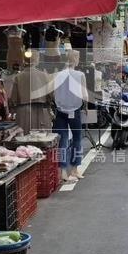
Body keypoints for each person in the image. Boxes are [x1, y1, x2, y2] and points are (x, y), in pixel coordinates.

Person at [52, 50, 88, 183]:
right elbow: (84, 94)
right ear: (75, 60)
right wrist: (85, 106)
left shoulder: (57, 75)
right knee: (77, 140)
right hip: (75, 110)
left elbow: (53, 94)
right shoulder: (80, 75)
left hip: (60, 111)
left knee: (62, 141)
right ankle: (74, 169)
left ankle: (62, 172)